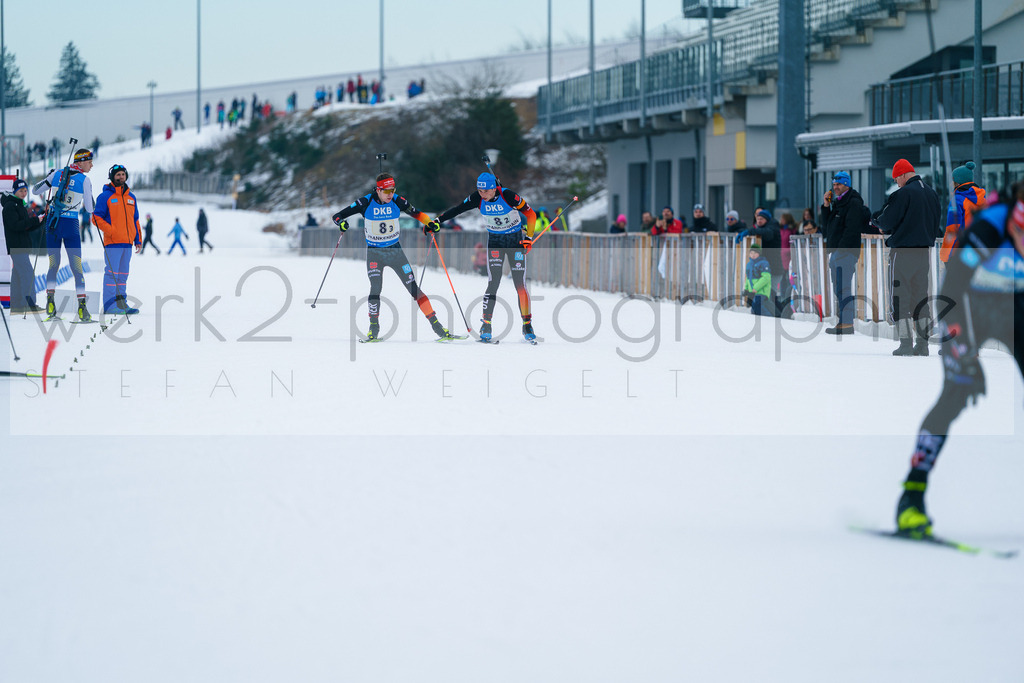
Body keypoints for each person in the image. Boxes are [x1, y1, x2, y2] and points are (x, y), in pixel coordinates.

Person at [893, 181, 1024, 539]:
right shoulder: (989, 227)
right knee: (957, 391)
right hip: (967, 309)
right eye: (1019, 233)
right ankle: (911, 498)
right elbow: (949, 292)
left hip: (1014, 308)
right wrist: (964, 354)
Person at [331, 172, 457, 341]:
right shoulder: (365, 202)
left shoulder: (398, 200)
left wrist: (430, 223)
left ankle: (438, 328)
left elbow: (418, 214)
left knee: (414, 289)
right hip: (375, 253)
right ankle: (373, 329)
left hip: (395, 252)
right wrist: (341, 223)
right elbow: (337, 216)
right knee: (376, 288)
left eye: (393, 190)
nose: (390, 194)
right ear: (378, 190)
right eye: (386, 191)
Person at [430, 172, 538, 342]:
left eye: (486, 191)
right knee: (493, 282)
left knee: (520, 284)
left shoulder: (508, 196)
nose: (483, 194)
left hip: (515, 241)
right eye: (480, 191)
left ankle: (527, 325)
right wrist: (437, 220)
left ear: (494, 188)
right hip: (495, 242)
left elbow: (531, 215)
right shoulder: (477, 198)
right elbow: (458, 209)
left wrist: (528, 238)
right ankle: (486, 324)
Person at [873, 159, 942, 356]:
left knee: (899, 297)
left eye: (896, 179)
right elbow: (936, 221)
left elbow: (887, 220)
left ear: (903, 174)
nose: (897, 183)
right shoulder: (932, 194)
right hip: (923, 253)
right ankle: (923, 344)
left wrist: (877, 222)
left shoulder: (903, 194)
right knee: (921, 298)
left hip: (902, 252)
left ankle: (905, 343)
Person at [32, 148, 95, 322]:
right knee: (77, 267)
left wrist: (49, 177)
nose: (91, 165)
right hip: (71, 226)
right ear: (81, 161)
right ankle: (82, 308)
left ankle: (50, 303)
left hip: (53, 224)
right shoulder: (85, 180)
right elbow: (90, 209)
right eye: (89, 162)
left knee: (53, 264)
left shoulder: (57, 174)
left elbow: (35, 191)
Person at [820, 171, 867, 335]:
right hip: (837, 252)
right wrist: (826, 206)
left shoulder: (853, 202)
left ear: (846, 184)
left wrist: (840, 250)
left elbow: (851, 229)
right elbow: (827, 226)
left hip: (845, 252)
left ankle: (847, 323)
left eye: (838, 184)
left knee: (843, 287)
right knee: (838, 288)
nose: (835, 187)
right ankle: (844, 321)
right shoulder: (839, 202)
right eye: (834, 185)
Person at [92, 164, 142, 314]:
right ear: (112, 177)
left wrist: (138, 239)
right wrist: (111, 231)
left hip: (127, 242)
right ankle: (109, 306)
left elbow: (135, 220)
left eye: (123, 174)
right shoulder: (105, 197)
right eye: (118, 174)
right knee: (112, 274)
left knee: (123, 275)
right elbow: (96, 218)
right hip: (113, 243)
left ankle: (121, 303)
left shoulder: (131, 197)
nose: (121, 177)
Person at [2, 178, 46, 313]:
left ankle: (17, 305)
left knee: (17, 276)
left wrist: (39, 221)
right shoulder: (10, 206)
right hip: (16, 246)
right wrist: (34, 221)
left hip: (22, 246)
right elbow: (16, 226)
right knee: (28, 274)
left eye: (25, 190)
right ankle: (29, 304)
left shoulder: (21, 205)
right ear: (15, 191)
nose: (24, 193)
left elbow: (27, 227)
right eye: (21, 191)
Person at [940, 161, 986, 263]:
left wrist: (945, 255)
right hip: (979, 250)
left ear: (957, 182)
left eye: (952, 180)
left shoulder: (957, 200)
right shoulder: (983, 199)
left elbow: (952, 229)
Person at [743, 242, 771, 316]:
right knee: (754, 309)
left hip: (762, 290)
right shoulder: (749, 264)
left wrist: (755, 288)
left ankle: (770, 319)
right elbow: (748, 278)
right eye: (751, 253)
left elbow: (766, 278)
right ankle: (756, 320)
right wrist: (746, 289)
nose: (753, 255)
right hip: (753, 291)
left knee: (757, 305)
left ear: (759, 253)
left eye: (755, 253)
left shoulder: (764, 263)